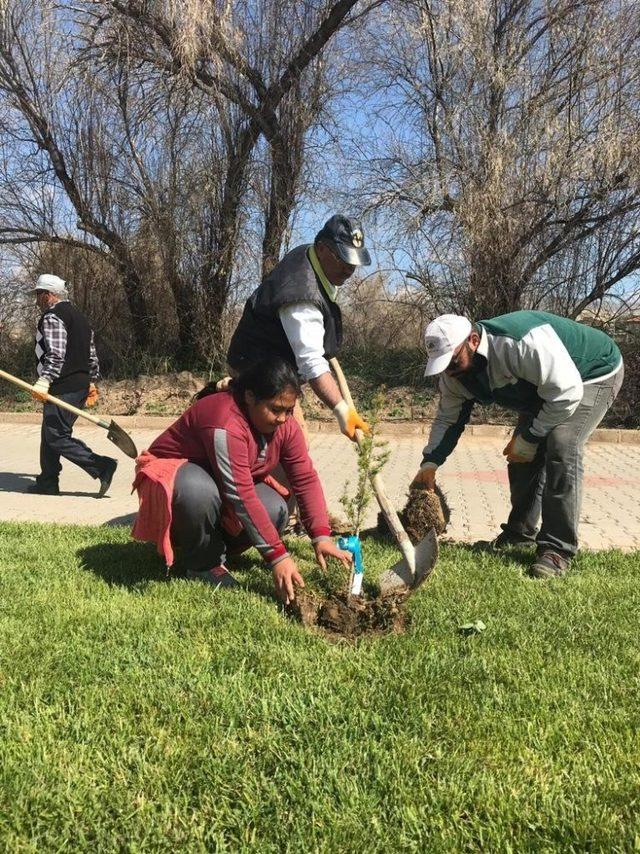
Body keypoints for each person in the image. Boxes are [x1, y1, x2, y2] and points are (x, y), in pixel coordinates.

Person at [412, 310, 624, 578]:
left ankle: (557, 549)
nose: (449, 373)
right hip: (549, 387)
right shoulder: (454, 374)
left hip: (592, 374)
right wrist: (430, 463)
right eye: (442, 367)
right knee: (521, 454)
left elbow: (567, 393)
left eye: (452, 362)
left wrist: (532, 436)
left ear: (473, 340)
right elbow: (448, 419)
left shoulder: (519, 343)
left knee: (561, 446)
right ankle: (520, 533)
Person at [131, 357, 352, 604]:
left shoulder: (285, 426)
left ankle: (220, 549)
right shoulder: (225, 422)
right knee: (196, 489)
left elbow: (305, 477)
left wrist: (321, 536)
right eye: (275, 409)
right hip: (177, 484)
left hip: (222, 485)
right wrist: (277, 556)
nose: (282, 418)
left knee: (275, 508)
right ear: (249, 397)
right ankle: (203, 563)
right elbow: (241, 493)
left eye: (289, 411)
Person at [225, 214, 371, 441]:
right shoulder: (301, 297)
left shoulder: (310, 255)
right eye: (343, 260)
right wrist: (342, 410)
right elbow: (312, 362)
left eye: (353, 262)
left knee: (292, 449)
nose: (349, 270)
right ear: (322, 249)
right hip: (255, 370)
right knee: (290, 449)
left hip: (275, 365)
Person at [29, 274, 117, 497]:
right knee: (50, 431)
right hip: (78, 385)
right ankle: (48, 482)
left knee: (56, 436)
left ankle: (101, 466)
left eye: (39, 294)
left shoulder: (52, 316)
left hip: (63, 385)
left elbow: (56, 355)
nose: (37, 299)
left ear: (49, 295)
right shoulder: (80, 317)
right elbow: (92, 354)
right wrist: (92, 381)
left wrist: (44, 380)